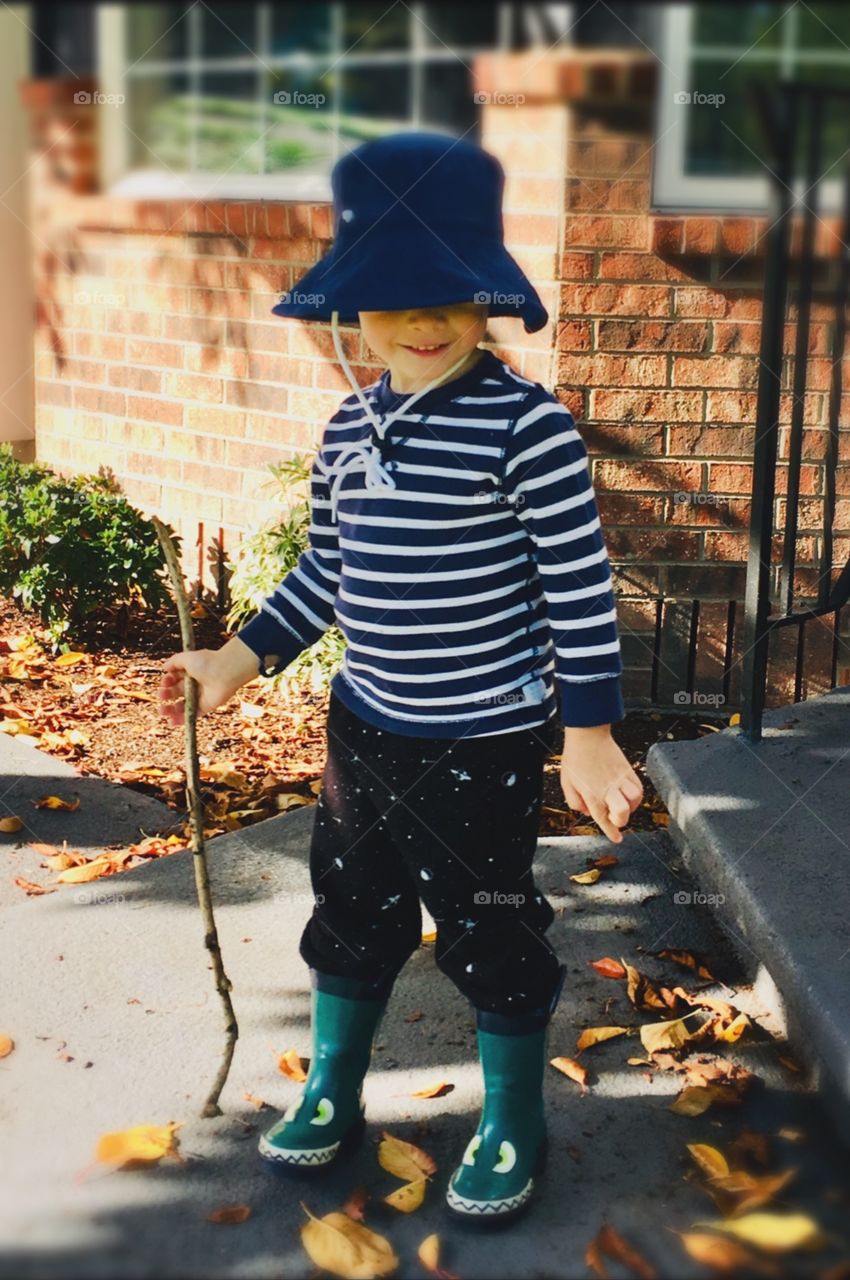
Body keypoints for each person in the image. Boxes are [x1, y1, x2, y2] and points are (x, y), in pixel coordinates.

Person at [159, 131, 643, 1226]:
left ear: (486, 300)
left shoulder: (528, 431)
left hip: (477, 738)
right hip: (364, 729)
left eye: (448, 297)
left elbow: (577, 585)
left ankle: (512, 1113)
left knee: (486, 919)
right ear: (351, 307)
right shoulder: (347, 427)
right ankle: (334, 1082)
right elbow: (325, 566)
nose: (422, 321)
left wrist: (590, 732)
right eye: (391, 298)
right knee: (354, 903)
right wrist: (238, 657)